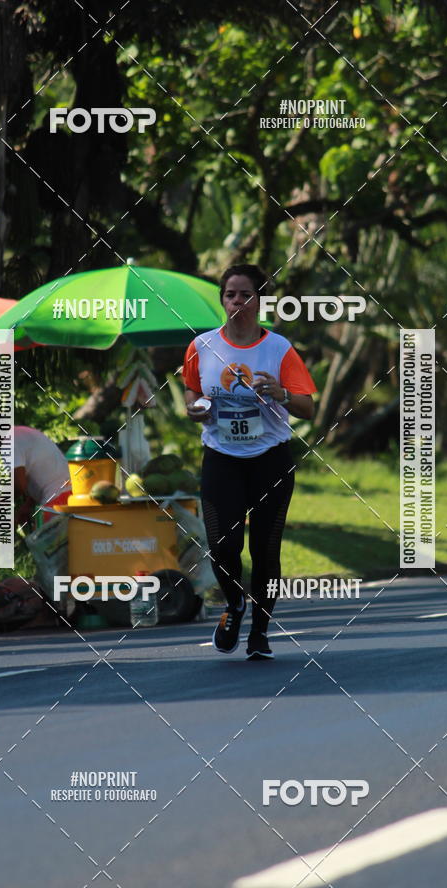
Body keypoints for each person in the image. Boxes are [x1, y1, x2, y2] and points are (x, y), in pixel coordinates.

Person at [182, 264, 316, 660]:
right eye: (230, 295)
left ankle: (260, 631)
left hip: (269, 460)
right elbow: (191, 392)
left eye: (245, 294)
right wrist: (196, 409)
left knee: (265, 549)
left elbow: (307, 406)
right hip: (221, 458)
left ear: (260, 300)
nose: (237, 301)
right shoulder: (202, 346)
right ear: (222, 300)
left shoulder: (279, 349)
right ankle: (235, 604)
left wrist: (280, 393)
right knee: (221, 544)